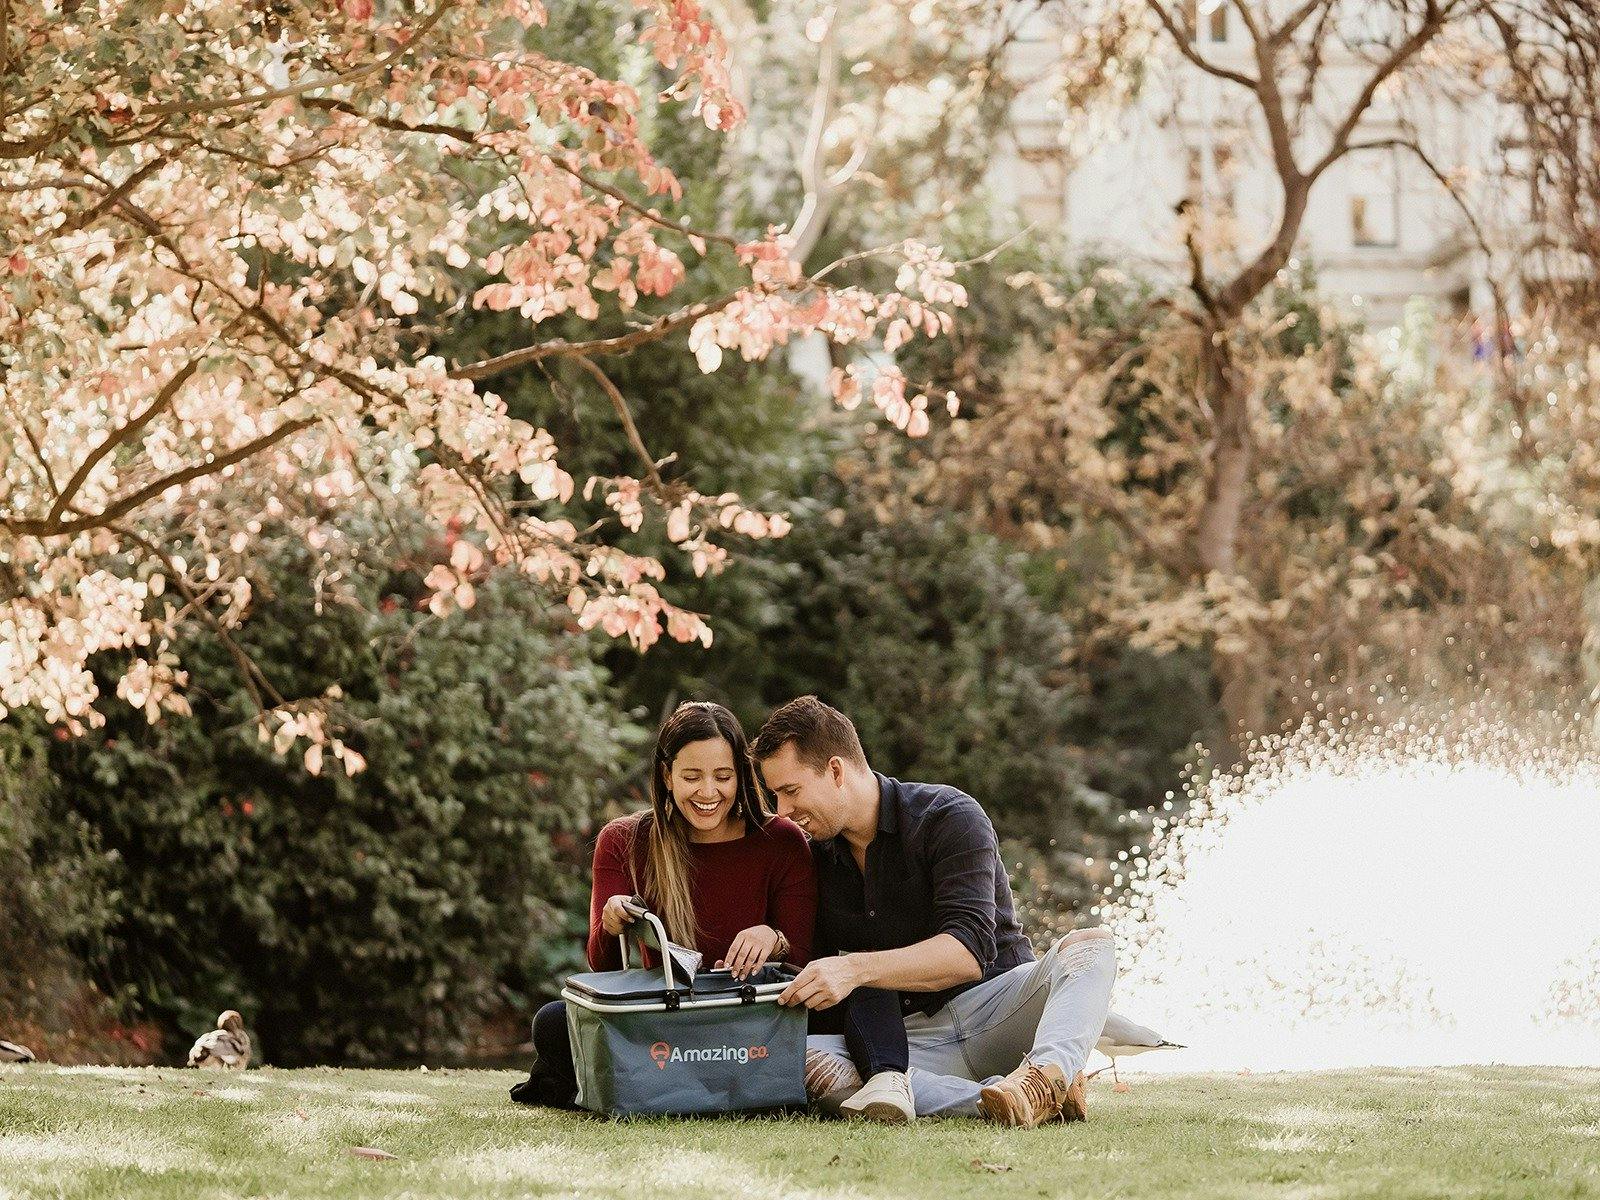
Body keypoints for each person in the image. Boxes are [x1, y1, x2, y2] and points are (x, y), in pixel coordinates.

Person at [751, 696, 1118, 1127]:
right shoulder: (814, 858)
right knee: (808, 1062)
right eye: (775, 795)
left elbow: (966, 954)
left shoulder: (948, 816)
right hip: (912, 1040)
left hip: (1000, 1011)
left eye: (790, 791)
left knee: (1091, 947)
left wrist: (854, 969)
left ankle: (1046, 1075)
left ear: (835, 770)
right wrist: (773, 939)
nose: (783, 811)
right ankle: (1005, 1100)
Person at [511, 701, 816, 1109]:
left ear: (741, 776)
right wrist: (613, 922)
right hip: (668, 1017)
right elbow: (602, 967)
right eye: (692, 777)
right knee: (553, 1020)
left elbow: (808, 957)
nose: (709, 792)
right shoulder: (624, 840)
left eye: (723, 777)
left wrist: (773, 938)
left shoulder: (781, 839)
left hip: (748, 1020)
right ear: (667, 775)